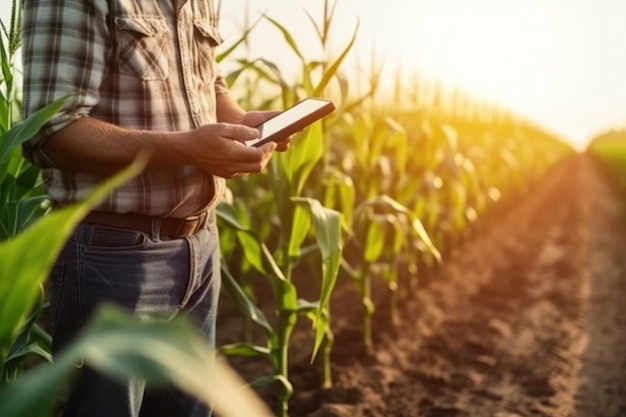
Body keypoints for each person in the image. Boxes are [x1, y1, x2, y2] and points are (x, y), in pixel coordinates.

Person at [21, 1, 289, 416]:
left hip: (201, 248)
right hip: (115, 256)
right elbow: (51, 131)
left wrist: (245, 124)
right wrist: (187, 150)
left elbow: (209, 86)